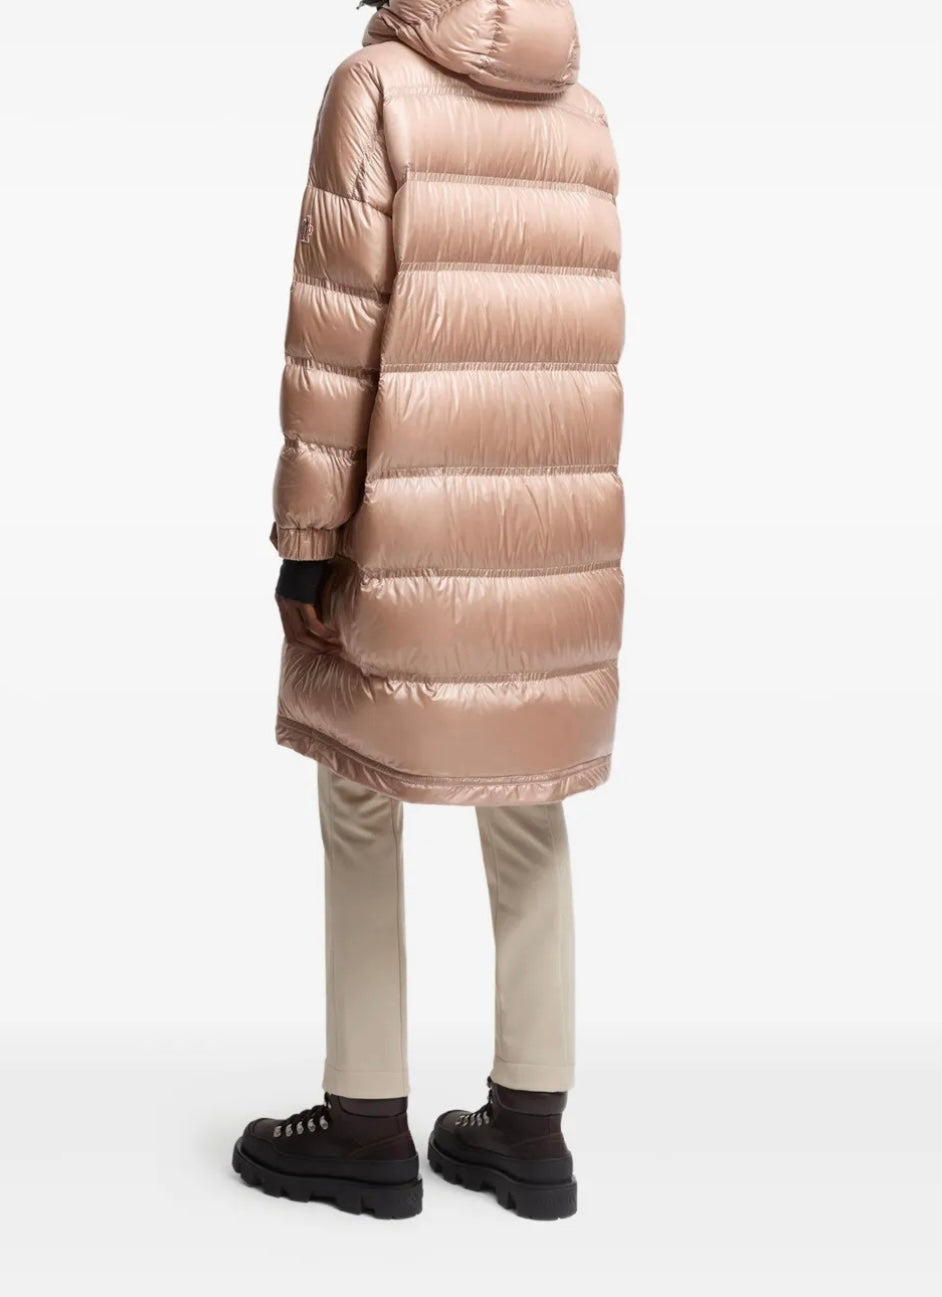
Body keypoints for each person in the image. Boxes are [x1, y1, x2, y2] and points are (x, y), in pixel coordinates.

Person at [231, 0, 625, 1221]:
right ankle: (530, 1129)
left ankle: (364, 1123)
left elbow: (335, 334)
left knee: (360, 794)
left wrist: (307, 544)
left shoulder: (374, 90)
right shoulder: (581, 112)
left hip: (406, 531)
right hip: (555, 542)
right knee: (529, 798)